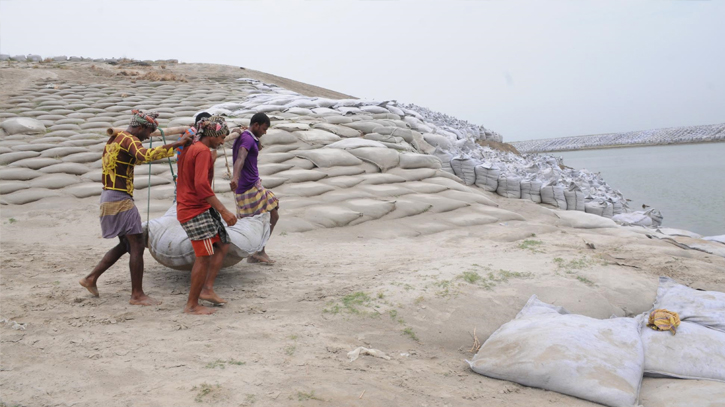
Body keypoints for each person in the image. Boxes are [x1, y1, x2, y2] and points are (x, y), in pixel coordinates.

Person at [80, 110, 191, 305]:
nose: (148, 137)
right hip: (119, 198)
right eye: (148, 132)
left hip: (110, 196)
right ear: (140, 127)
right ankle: (137, 295)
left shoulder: (117, 138)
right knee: (138, 243)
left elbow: (137, 158)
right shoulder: (130, 139)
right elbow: (144, 155)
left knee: (126, 244)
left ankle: (91, 278)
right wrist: (177, 145)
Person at [176, 115, 237, 315]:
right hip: (193, 208)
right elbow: (201, 186)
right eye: (221, 137)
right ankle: (191, 305)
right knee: (203, 256)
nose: (222, 142)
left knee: (222, 243)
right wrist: (224, 210)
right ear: (212, 134)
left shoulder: (192, 148)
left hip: (200, 206)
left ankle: (207, 289)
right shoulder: (201, 151)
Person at [229, 112, 279, 264]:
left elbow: (258, 147)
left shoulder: (250, 137)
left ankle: (257, 251)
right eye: (264, 128)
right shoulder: (246, 138)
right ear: (256, 125)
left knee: (272, 213)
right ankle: (258, 251)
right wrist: (235, 177)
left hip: (252, 184)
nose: (265, 132)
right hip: (248, 187)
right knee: (268, 216)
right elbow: (241, 157)